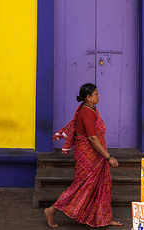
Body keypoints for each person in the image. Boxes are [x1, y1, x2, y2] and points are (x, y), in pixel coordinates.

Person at [44, 83, 122, 228]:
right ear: (88, 97)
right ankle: (51, 210)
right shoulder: (86, 112)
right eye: (96, 94)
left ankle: (103, 218)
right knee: (82, 186)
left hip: (94, 154)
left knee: (100, 187)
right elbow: (92, 138)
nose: (98, 96)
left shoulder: (91, 109)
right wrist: (109, 157)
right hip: (87, 154)